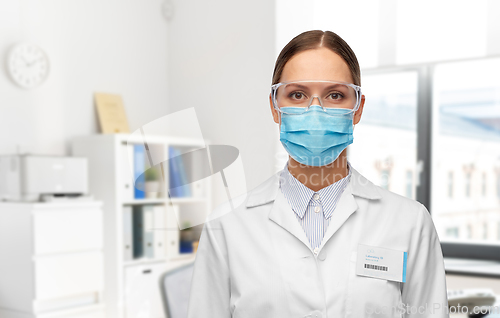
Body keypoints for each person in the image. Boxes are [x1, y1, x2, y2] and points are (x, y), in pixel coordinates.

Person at [187, 30, 449, 318]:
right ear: (275, 107)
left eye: (335, 95)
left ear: (357, 109)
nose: (315, 111)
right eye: (297, 95)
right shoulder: (227, 226)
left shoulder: (410, 223)